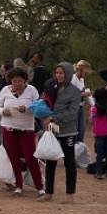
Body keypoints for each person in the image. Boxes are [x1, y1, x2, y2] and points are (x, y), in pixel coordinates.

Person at [0, 66, 45, 197]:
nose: (17, 84)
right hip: (9, 127)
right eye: (14, 81)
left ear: (24, 81)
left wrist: (27, 108)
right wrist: (2, 111)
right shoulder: (5, 90)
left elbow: (39, 105)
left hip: (26, 128)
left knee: (30, 156)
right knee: (14, 156)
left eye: (19, 81)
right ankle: (18, 185)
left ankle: (40, 186)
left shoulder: (31, 90)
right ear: (10, 81)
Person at [38, 62, 82, 203]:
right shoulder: (50, 87)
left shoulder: (74, 92)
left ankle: (70, 195)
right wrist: (43, 115)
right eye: (56, 73)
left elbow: (72, 113)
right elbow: (43, 102)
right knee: (50, 160)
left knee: (69, 161)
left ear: (67, 74)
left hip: (67, 131)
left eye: (61, 73)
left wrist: (53, 118)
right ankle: (48, 192)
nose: (58, 76)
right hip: (51, 129)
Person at [89, 87, 107, 180]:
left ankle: (98, 173)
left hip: (99, 133)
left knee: (100, 153)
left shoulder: (94, 108)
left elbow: (91, 121)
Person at [71, 60, 92, 143]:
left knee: (81, 130)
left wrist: (88, 94)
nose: (86, 75)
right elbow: (72, 95)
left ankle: (79, 148)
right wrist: (84, 94)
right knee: (75, 129)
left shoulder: (82, 79)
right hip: (74, 106)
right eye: (86, 73)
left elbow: (82, 91)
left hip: (81, 106)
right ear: (81, 70)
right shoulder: (73, 79)